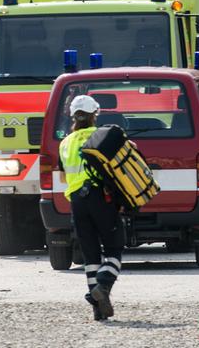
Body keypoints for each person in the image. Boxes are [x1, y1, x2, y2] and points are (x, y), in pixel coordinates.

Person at [60, 94, 122, 320]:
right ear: (95, 114)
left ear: (73, 117)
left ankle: (98, 309)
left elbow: (62, 170)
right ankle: (103, 287)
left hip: (77, 203)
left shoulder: (65, 143)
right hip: (101, 199)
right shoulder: (100, 136)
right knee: (114, 248)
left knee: (91, 256)